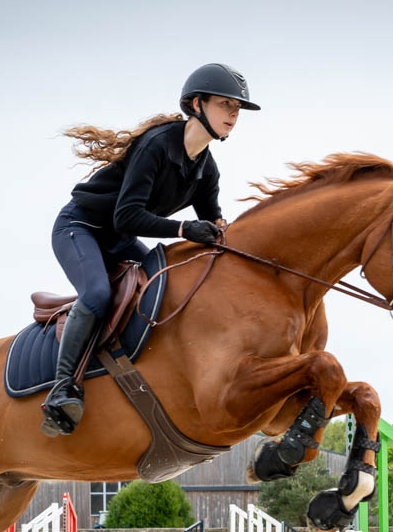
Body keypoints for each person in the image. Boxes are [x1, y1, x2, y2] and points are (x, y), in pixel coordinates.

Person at [41, 63, 260, 437]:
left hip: (119, 238)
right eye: (226, 104)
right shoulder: (157, 145)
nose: (234, 115)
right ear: (196, 104)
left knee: (168, 286)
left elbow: (214, 226)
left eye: (237, 109)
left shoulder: (208, 170)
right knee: (96, 293)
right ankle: (62, 389)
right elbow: (127, 216)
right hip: (81, 228)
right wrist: (183, 228)